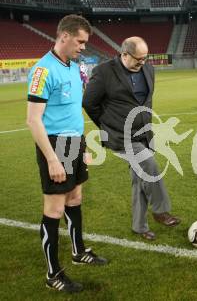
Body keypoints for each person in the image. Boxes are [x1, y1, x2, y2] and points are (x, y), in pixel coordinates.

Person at [26, 14, 108, 293]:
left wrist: (82, 147)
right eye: (80, 41)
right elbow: (33, 120)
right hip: (55, 144)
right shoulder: (42, 70)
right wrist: (52, 159)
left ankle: (79, 251)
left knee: (75, 197)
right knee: (55, 208)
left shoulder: (74, 67)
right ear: (64, 36)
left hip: (75, 142)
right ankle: (53, 274)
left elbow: (72, 110)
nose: (83, 47)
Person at [83, 37, 180, 241]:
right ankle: (161, 211)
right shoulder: (104, 72)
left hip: (144, 134)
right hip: (120, 136)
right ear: (124, 54)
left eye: (145, 58)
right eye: (139, 58)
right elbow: (89, 102)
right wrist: (107, 125)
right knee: (149, 165)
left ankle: (139, 226)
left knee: (139, 179)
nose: (143, 62)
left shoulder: (149, 70)